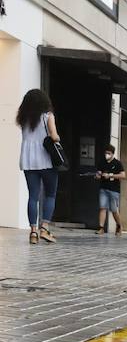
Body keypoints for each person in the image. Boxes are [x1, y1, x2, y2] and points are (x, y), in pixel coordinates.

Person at [16, 88, 61, 244]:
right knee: (50, 194)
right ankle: (45, 228)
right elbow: (54, 137)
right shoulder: (48, 116)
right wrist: (57, 137)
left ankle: (33, 232)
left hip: (28, 160)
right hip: (46, 160)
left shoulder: (23, 119)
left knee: (33, 196)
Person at [95, 142, 125, 235]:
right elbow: (98, 173)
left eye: (109, 153)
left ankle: (119, 225)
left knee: (114, 210)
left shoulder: (117, 163)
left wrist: (111, 175)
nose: (107, 155)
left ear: (112, 154)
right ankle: (101, 228)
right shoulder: (101, 162)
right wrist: (98, 175)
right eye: (106, 153)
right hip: (103, 188)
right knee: (102, 207)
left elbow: (123, 175)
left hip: (114, 190)